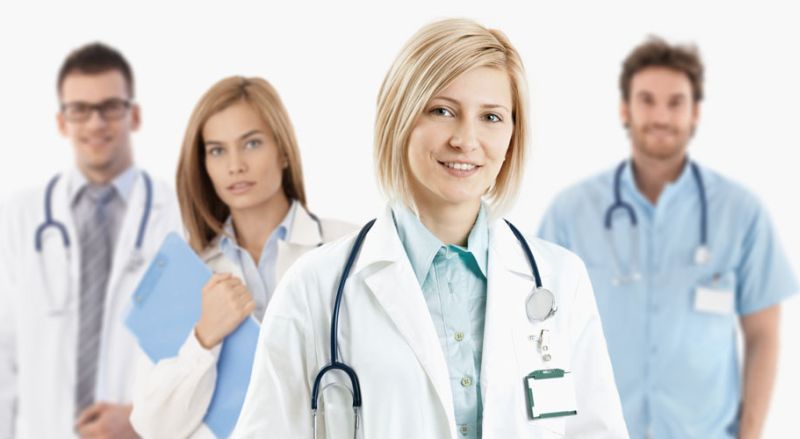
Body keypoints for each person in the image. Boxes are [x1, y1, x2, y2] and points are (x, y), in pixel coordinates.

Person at [233, 19, 627, 438]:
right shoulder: (315, 288)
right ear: (399, 118)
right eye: (442, 111)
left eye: (491, 117)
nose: (466, 139)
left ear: (513, 134)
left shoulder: (560, 279)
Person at [538, 37, 798, 439]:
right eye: (647, 100)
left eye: (676, 102)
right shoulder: (571, 213)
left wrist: (751, 435)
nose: (661, 115)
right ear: (625, 108)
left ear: (695, 113)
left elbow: (764, 334)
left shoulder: (741, 213)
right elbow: (540, 333)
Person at [130, 76, 355, 438]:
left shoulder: (348, 248)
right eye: (217, 150)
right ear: (203, 164)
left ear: (283, 150)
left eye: (251, 143)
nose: (235, 165)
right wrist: (204, 339)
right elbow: (154, 426)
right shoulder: (187, 273)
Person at [0, 42, 181, 438]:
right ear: (62, 122)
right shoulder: (19, 217)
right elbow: (4, 351)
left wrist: (142, 419)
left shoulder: (176, 216)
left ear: (133, 115)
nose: (96, 123)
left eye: (110, 107)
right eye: (80, 110)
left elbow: (193, 351)